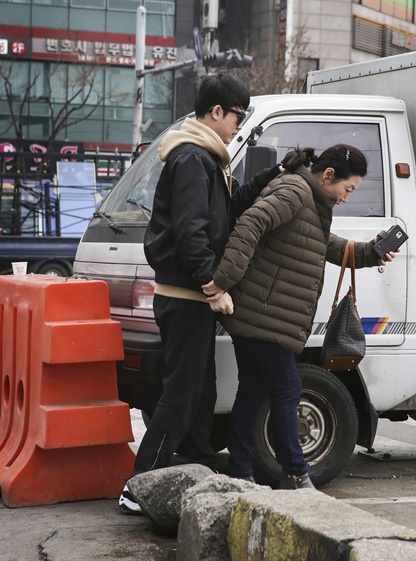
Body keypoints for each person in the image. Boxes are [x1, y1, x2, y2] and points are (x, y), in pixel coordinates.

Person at [119, 72, 282, 514]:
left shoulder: (209, 159)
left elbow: (228, 209)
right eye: (237, 116)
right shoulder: (192, 158)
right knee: (181, 394)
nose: (238, 125)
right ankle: (138, 485)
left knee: (202, 390)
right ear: (216, 113)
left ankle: (203, 466)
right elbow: (192, 232)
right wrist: (212, 285)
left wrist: (278, 171)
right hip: (186, 294)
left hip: (191, 294)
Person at [202, 144, 395, 489]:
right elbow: (252, 221)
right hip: (264, 316)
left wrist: (372, 253)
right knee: (289, 388)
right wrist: (220, 282)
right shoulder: (296, 191)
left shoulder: (310, 201)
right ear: (328, 175)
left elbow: (326, 245)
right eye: (348, 189)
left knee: (252, 390)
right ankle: (296, 472)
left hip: (260, 315)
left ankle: (241, 471)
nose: (347, 198)